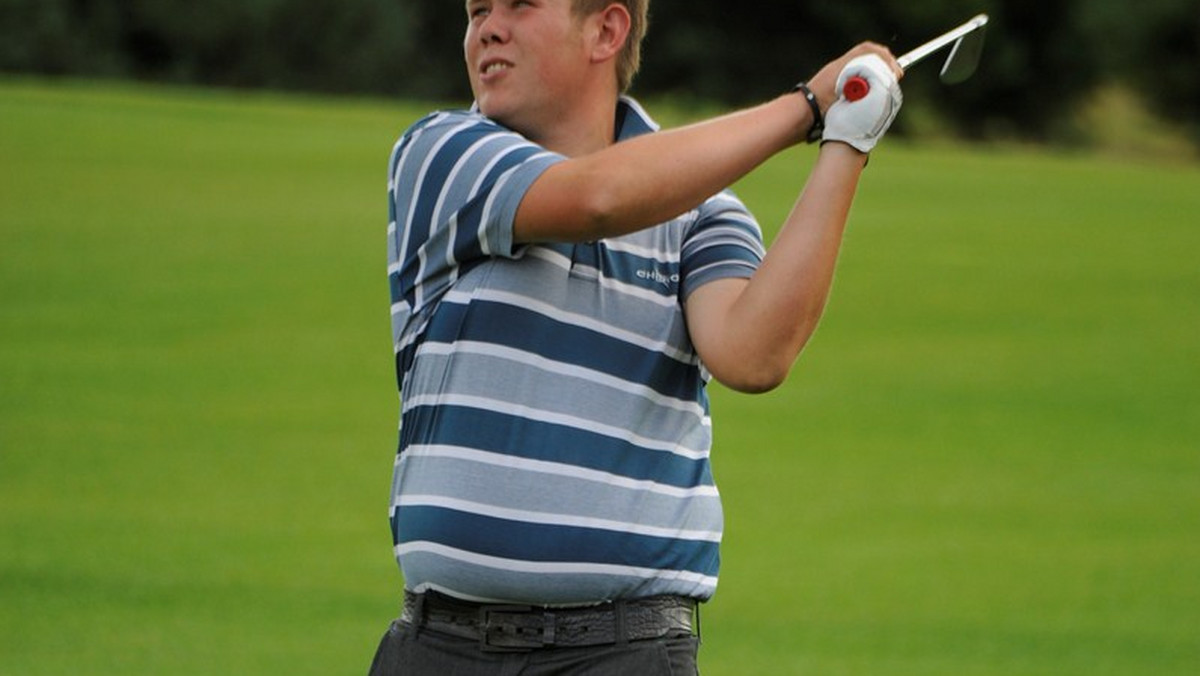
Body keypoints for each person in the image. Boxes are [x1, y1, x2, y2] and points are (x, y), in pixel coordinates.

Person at [370, 1, 902, 673]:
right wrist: (805, 106)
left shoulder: (704, 212)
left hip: (626, 651)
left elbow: (753, 353)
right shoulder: (441, 154)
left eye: (519, 6)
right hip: (442, 649)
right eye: (477, 10)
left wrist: (847, 140)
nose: (487, 28)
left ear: (606, 30)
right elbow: (599, 198)